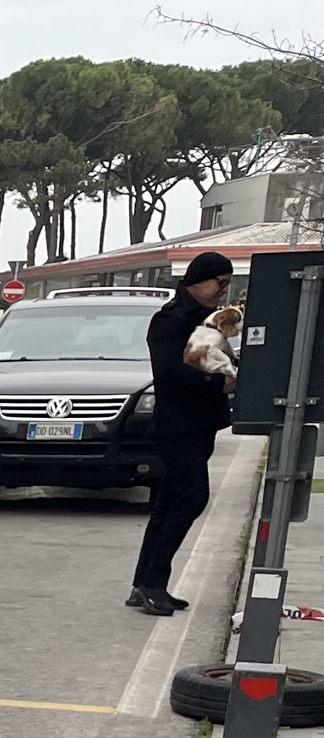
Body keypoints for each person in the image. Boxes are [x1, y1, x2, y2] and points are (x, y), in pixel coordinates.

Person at [129, 251, 237, 616]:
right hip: (178, 425)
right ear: (197, 280)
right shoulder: (170, 321)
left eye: (227, 284)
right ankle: (153, 584)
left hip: (199, 423)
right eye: (219, 283)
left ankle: (144, 583)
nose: (223, 290)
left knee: (169, 504)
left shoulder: (207, 320)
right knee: (191, 497)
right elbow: (170, 373)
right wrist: (217, 383)